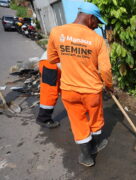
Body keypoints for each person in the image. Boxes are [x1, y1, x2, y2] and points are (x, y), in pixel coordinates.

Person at [47, 2, 113, 167]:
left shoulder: (57, 32)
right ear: (90, 18)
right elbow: (105, 70)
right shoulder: (97, 40)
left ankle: (86, 157)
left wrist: (70, 57)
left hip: (69, 90)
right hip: (91, 91)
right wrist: (109, 86)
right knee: (96, 118)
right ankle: (95, 146)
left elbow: (52, 59)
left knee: (78, 121)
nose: (97, 26)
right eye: (97, 22)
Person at [36, 50, 61, 128]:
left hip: (53, 61)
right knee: (50, 92)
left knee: (61, 88)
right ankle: (43, 119)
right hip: (51, 62)